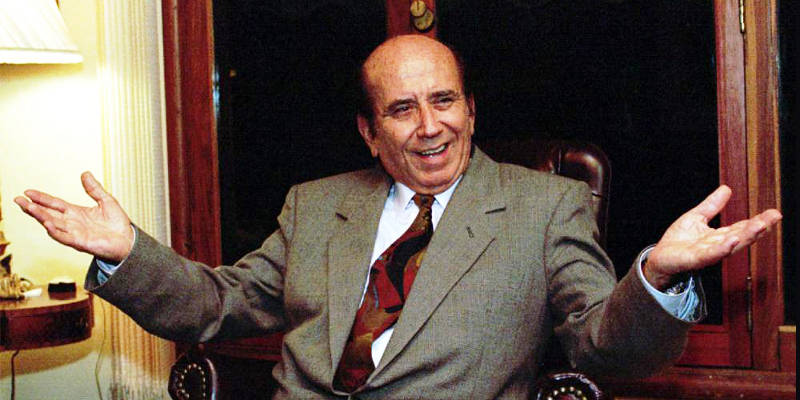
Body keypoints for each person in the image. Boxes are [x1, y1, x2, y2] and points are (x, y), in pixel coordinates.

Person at [14, 35, 781, 399]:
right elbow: (219, 305)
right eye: (402, 109)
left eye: (444, 101)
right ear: (369, 132)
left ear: (471, 110)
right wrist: (127, 252)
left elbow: (602, 346)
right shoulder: (317, 205)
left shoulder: (545, 206)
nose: (429, 126)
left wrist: (656, 278)